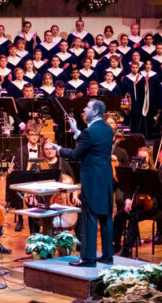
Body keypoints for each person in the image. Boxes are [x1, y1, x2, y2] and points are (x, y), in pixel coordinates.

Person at [50, 99, 114, 266]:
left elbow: (75, 155)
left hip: (92, 181)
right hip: (105, 179)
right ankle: (108, 256)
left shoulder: (90, 132)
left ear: (94, 112)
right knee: (106, 217)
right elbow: (91, 146)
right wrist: (77, 131)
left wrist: (58, 149)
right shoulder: (107, 129)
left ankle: (88, 258)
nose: (84, 109)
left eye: (87, 107)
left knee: (89, 218)